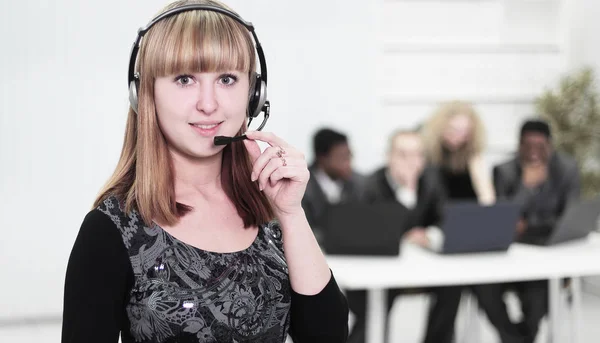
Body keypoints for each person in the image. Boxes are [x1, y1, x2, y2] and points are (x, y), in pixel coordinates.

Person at [61, 1, 348, 342]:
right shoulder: (111, 229)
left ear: (254, 94)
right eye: (185, 79)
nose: (209, 104)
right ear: (145, 94)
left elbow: (328, 336)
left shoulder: (269, 215)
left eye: (227, 79)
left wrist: (291, 212)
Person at [472, 119, 581, 343]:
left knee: (538, 291)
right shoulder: (503, 171)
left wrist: (527, 223)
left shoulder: (567, 169)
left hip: (548, 255)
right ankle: (516, 339)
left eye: (540, 146)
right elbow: (501, 221)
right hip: (508, 256)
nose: (533, 153)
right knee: (482, 286)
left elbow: (569, 219)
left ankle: (522, 338)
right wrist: (525, 187)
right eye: (527, 146)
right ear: (518, 145)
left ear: (550, 146)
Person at [419, 101, 496, 343]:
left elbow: (488, 207)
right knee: (450, 286)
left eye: (464, 132)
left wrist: (479, 172)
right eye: (452, 130)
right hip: (432, 236)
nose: (458, 137)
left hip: (466, 238)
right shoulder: (427, 157)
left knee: (481, 286)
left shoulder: (473, 158)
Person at [360, 129, 445, 343]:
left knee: (452, 287)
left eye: (417, 155)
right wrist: (407, 191)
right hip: (382, 270)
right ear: (389, 156)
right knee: (375, 304)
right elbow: (368, 228)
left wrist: (429, 235)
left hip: (423, 266)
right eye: (403, 154)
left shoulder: (431, 182)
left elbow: (444, 219)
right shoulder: (371, 185)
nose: (411, 161)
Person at [302, 128, 365, 246]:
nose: (348, 163)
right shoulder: (301, 186)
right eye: (342, 158)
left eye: (349, 156)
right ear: (322, 158)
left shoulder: (358, 183)